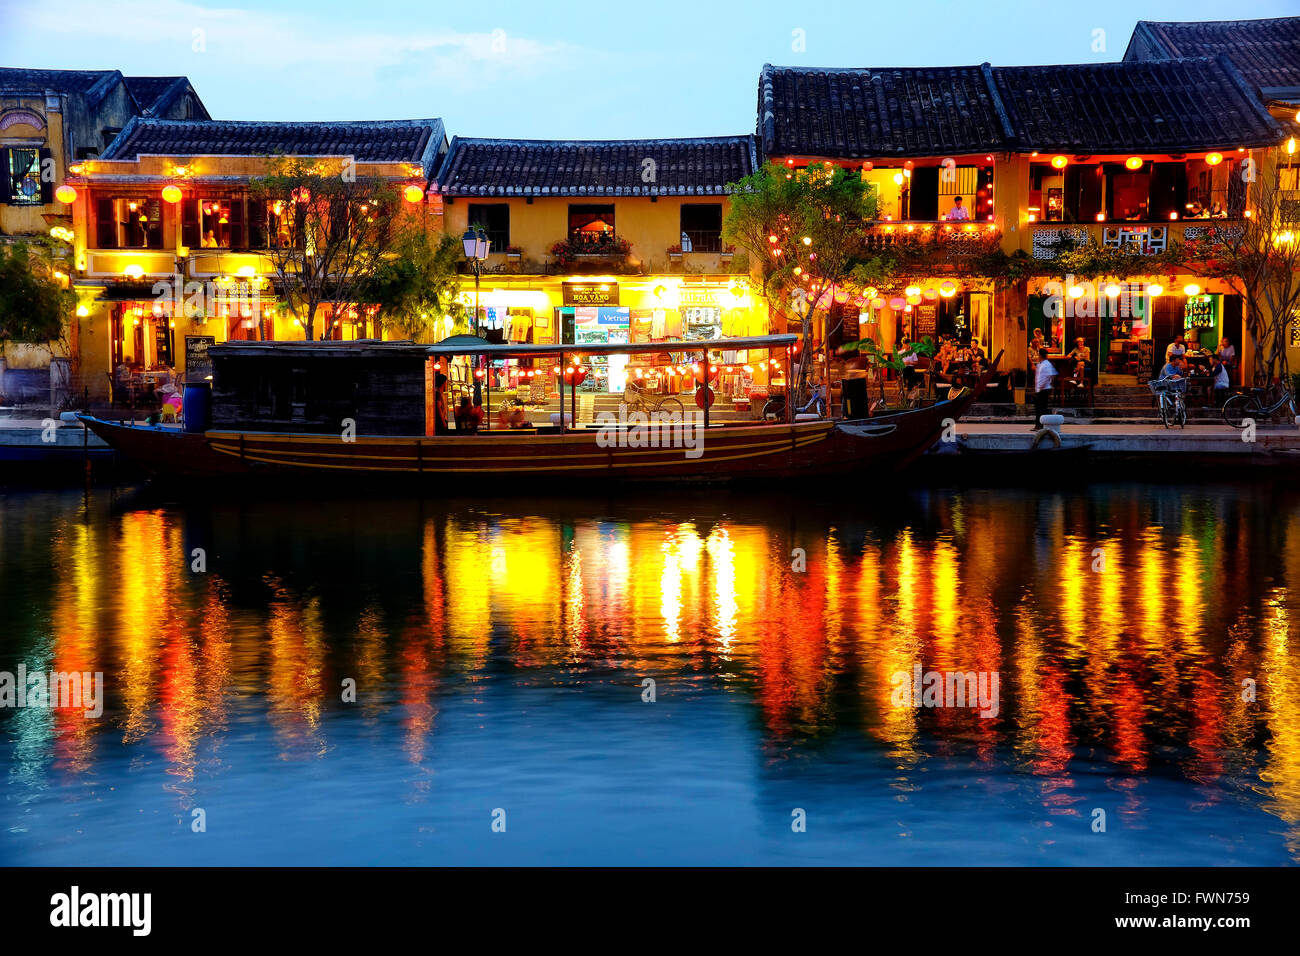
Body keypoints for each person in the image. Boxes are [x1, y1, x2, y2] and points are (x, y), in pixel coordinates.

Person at [1032, 348, 1057, 430]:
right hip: (1040, 389)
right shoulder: (1040, 364)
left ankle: (1042, 425)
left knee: (1041, 408)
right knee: (1038, 408)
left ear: (1040, 355)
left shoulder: (1046, 364)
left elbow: (1051, 375)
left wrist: (1043, 385)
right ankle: (1038, 425)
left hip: (1044, 389)